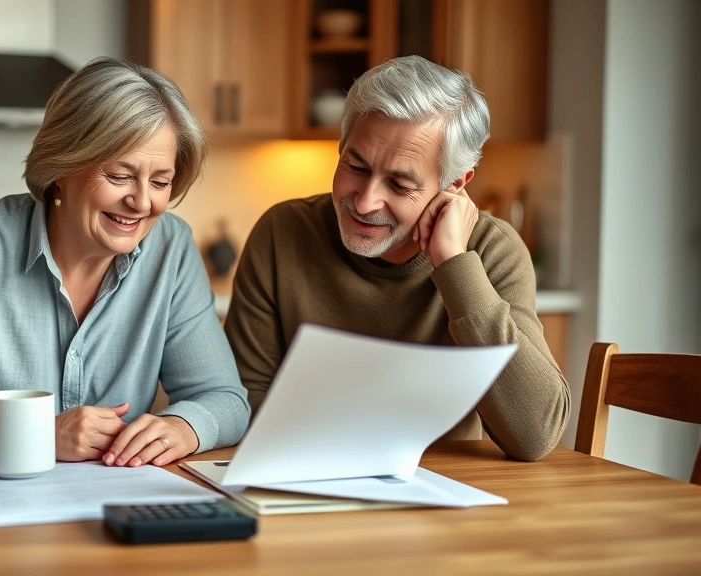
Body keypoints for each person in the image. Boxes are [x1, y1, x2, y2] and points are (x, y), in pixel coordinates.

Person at [0, 58, 250, 466]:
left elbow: (225, 399)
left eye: (160, 182)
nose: (142, 202)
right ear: (63, 166)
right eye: (120, 176)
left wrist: (184, 427)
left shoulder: (171, 249)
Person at [223, 55, 569, 462]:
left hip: (447, 501)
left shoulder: (493, 252)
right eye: (355, 165)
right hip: (306, 483)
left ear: (454, 185)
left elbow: (534, 436)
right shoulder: (282, 234)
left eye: (400, 183)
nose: (366, 202)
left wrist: (452, 265)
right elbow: (244, 406)